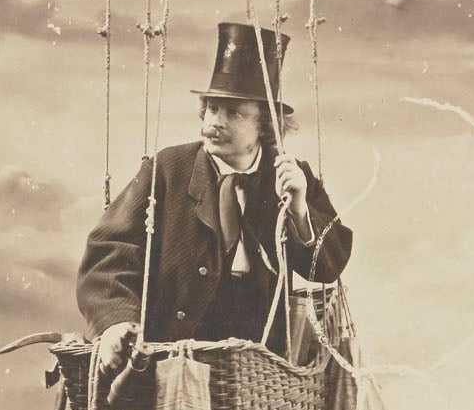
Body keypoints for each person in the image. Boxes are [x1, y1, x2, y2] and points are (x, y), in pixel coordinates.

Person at [78, 23, 352, 375]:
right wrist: (116, 323)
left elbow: (328, 267)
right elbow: (109, 254)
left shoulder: (290, 175)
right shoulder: (167, 170)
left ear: (265, 126)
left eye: (233, 113)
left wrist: (299, 211)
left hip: (260, 367)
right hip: (171, 357)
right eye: (211, 109)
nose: (215, 122)